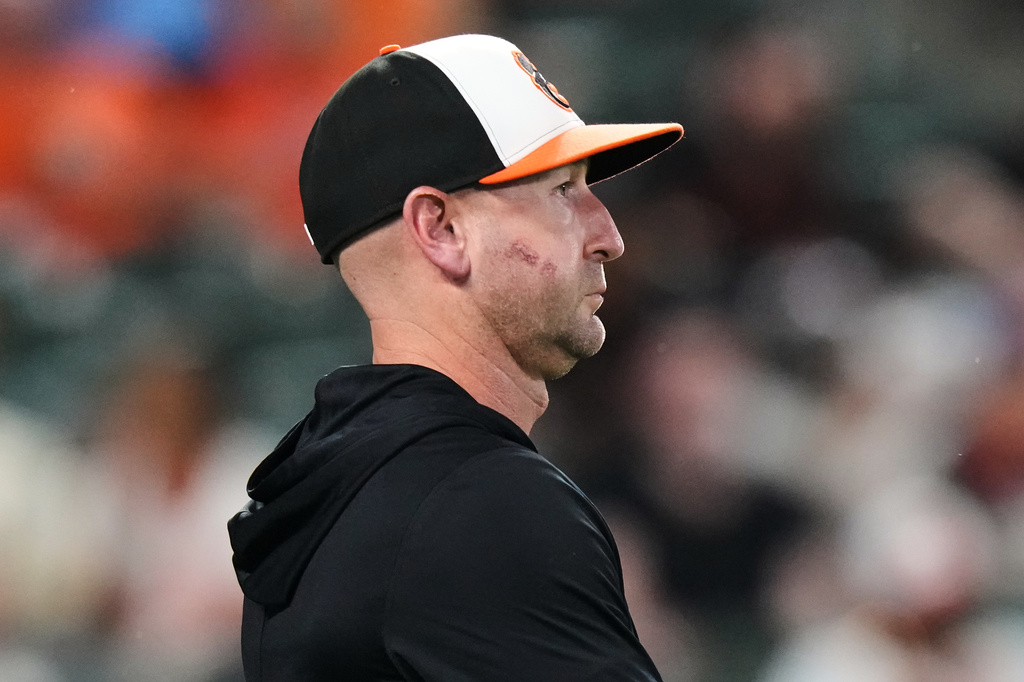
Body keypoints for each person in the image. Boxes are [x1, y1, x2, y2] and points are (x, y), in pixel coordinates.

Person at [228, 33, 682, 681]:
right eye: (562, 190)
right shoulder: (483, 504)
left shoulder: (326, 492)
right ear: (440, 229)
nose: (609, 236)